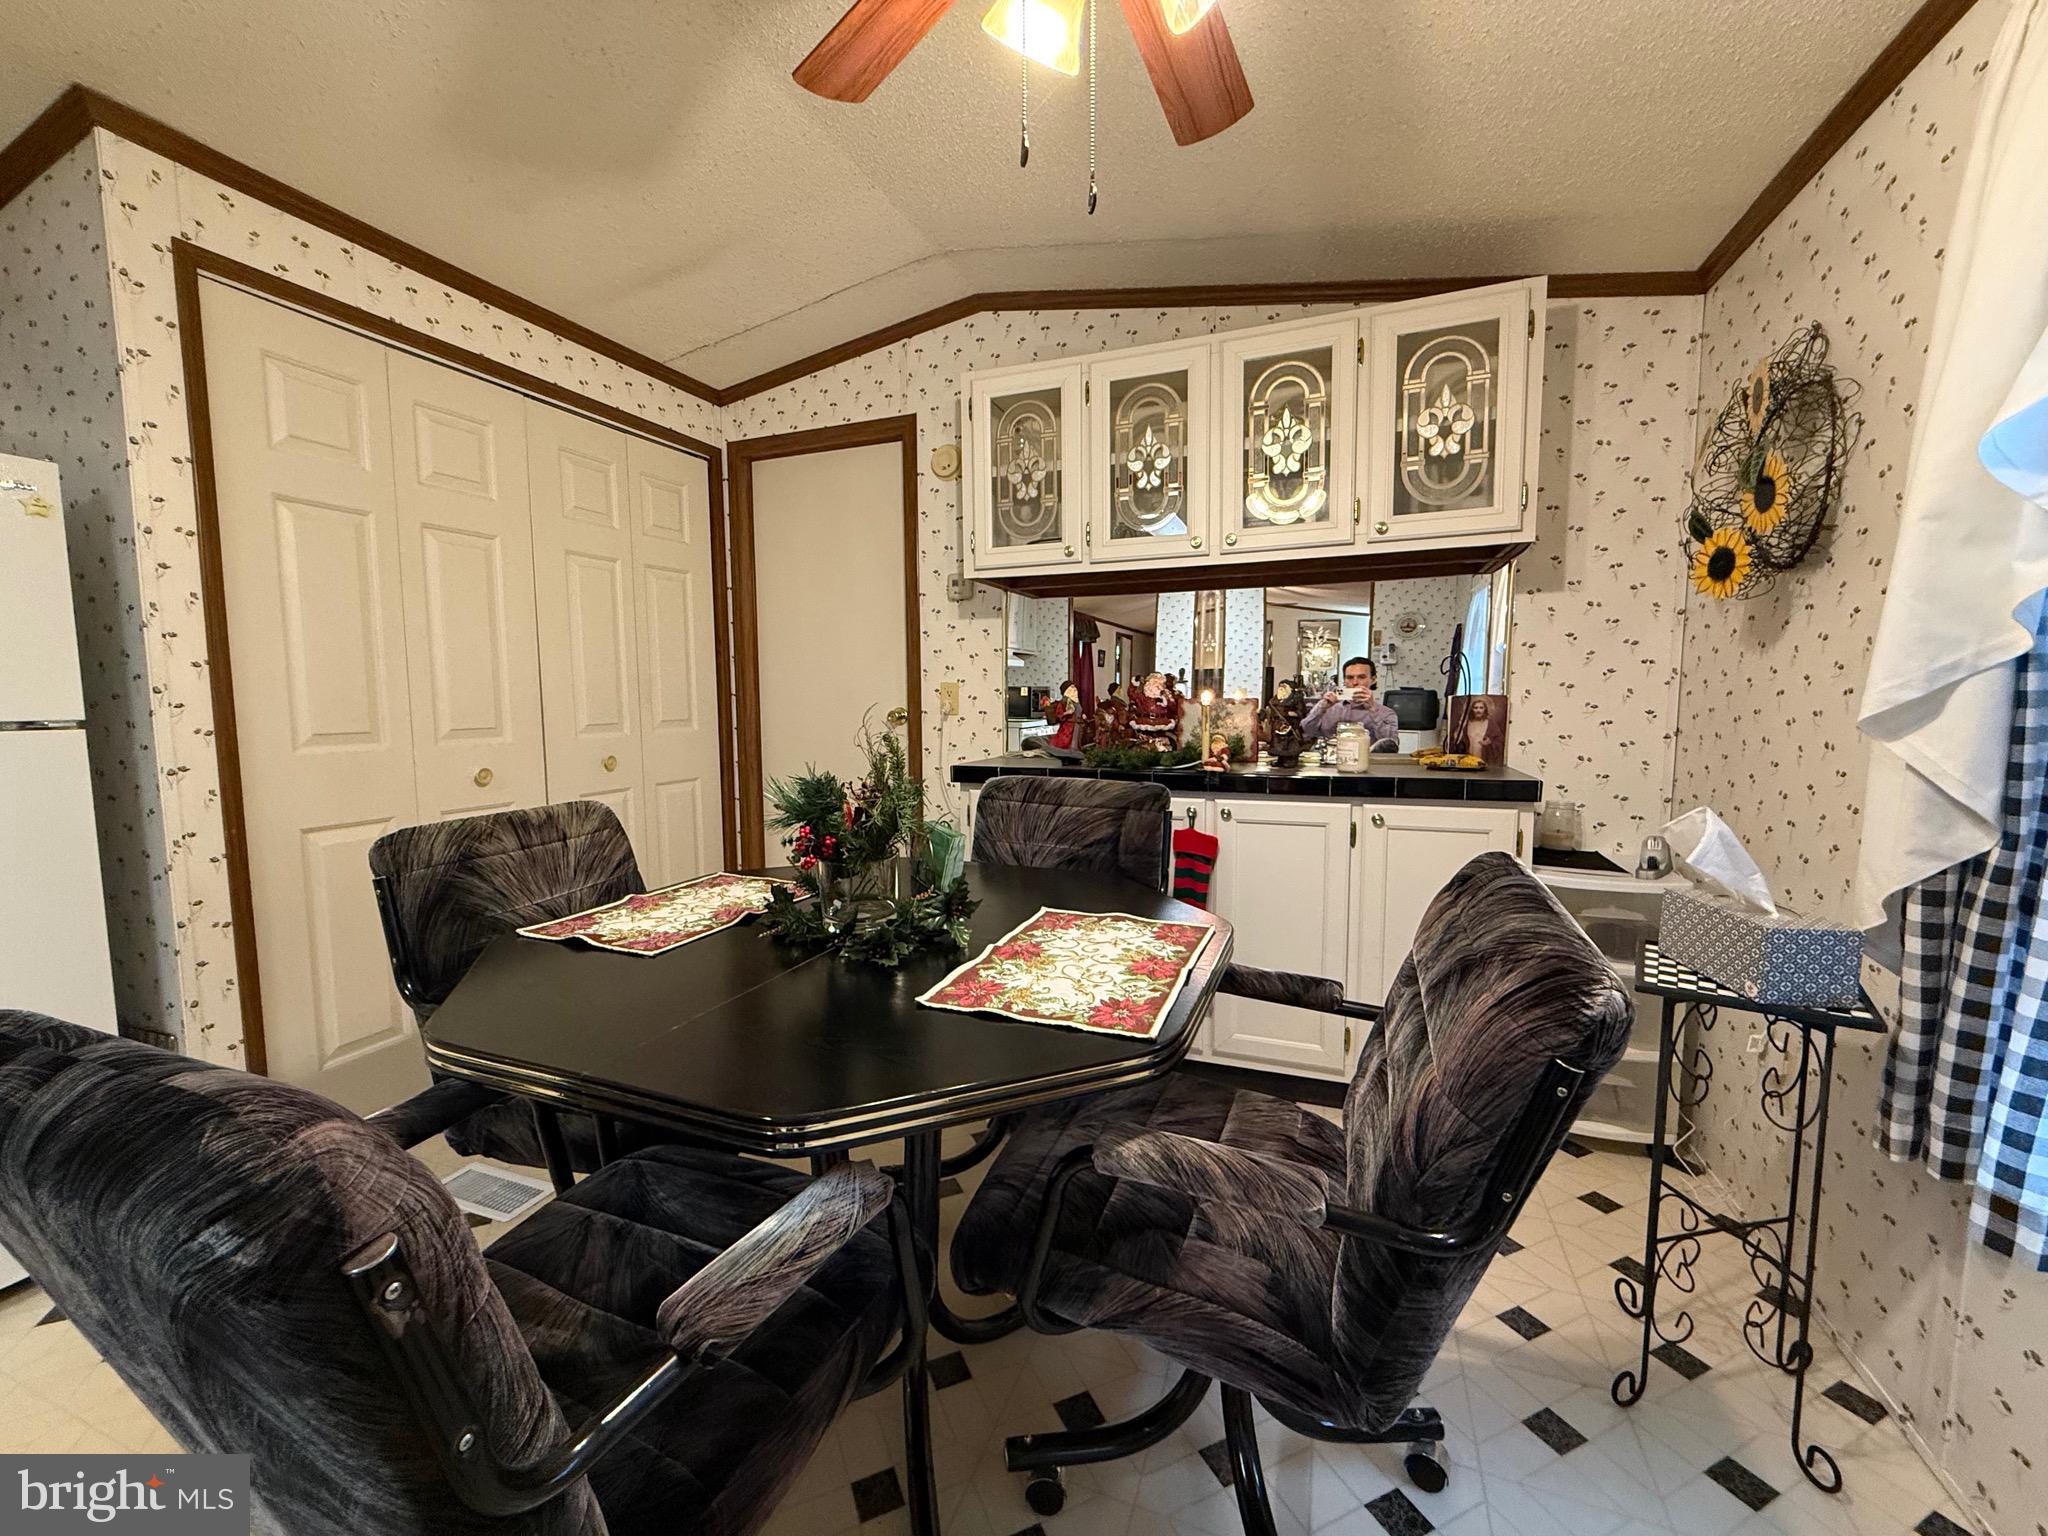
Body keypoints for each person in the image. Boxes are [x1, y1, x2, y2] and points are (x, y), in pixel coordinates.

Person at [1302, 656, 1400, 749]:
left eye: (1361, 677)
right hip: (1329, 760)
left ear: (1373, 680)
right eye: (1349, 677)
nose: (1355, 682)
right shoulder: (1329, 708)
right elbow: (1307, 731)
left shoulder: (1386, 713)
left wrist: (1373, 710)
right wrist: (1321, 708)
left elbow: (1391, 744)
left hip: (1367, 762)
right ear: (1344, 681)